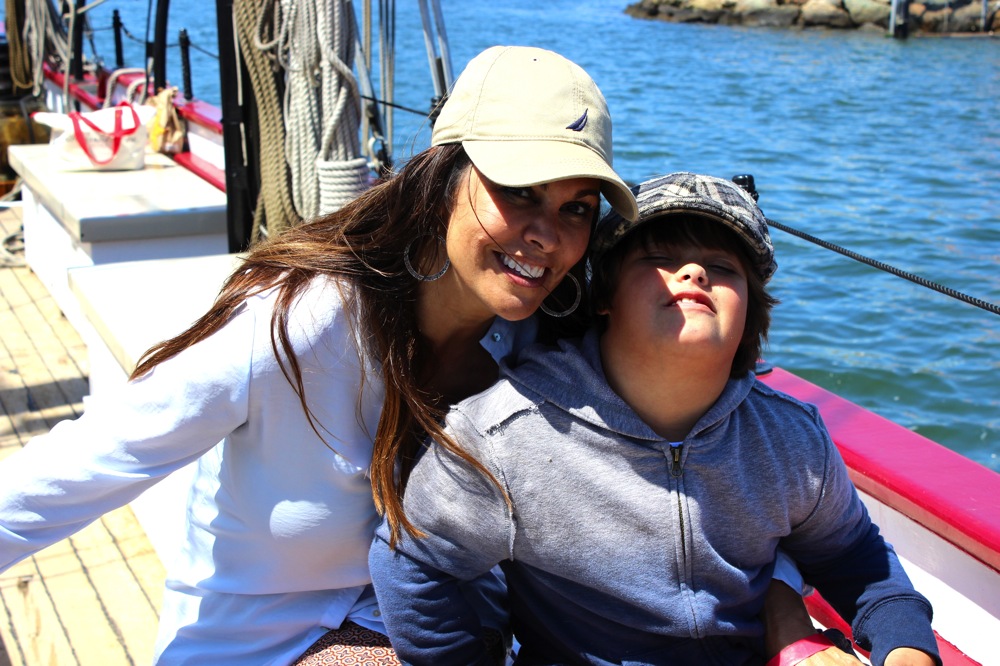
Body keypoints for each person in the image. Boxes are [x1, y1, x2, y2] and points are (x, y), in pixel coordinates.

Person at [0, 45, 637, 664]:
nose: (548, 235)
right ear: (444, 177)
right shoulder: (300, 322)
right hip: (267, 640)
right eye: (520, 191)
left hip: (443, 629)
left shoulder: (546, 342)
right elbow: (92, 460)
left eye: (576, 208)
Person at [369, 172, 942, 666]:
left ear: (751, 311)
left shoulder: (790, 440)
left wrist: (907, 649)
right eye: (660, 259)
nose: (693, 273)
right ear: (605, 296)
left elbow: (855, 560)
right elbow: (415, 564)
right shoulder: (506, 436)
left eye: (722, 267)